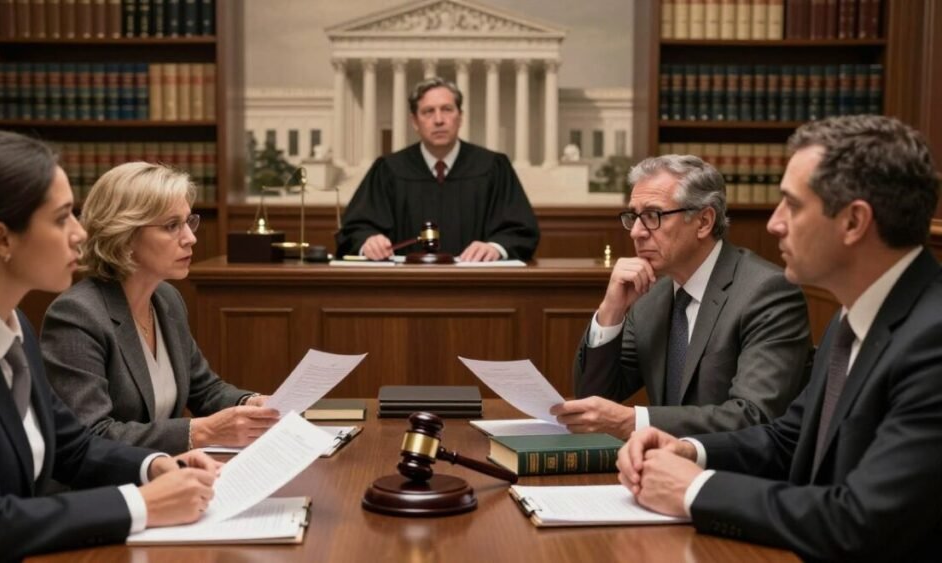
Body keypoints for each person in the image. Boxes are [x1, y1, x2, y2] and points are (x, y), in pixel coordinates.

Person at [617, 115, 942, 561]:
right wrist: (689, 449)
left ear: (853, 222)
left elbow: (860, 521)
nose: (773, 224)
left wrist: (695, 490)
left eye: (791, 205)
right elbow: (788, 439)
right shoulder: (853, 317)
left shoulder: (933, 340)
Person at [0, 131, 220, 561]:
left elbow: (74, 448)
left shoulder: (12, 322)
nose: (81, 234)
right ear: (1, 239)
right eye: (62, 219)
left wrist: (152, 467)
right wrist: (142, 504)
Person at [551, 155, 811, 439]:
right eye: (633, 216)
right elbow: (593, 399)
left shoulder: (766, 293)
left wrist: (633, 420)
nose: (637, 232)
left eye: (653, 216)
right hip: (659, 471)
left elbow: (754, 416)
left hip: (735, 476)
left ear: (703, 221)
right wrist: (611, 310)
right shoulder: (652, 298)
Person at [41, 162, 279, 454]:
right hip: (106, 491)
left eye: (189, 222)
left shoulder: (166, 299)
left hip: (165, 477)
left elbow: (205, 389)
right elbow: (90, 434)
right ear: (124, 235)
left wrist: (251, 403)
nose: (190, 238)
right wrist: (201, 431)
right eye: (171, 226)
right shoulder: (77, 315)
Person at [334, 77, 539, 262]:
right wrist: (369, 242)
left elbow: (520, 230)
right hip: (404, 291)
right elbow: (355, 230)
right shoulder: (389, 170)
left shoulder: (493, 167)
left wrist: (496, 247)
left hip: (478, 291)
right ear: (415, 121)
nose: (439, 120)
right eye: (428, 111)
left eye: (447, 109)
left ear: (460, 116)